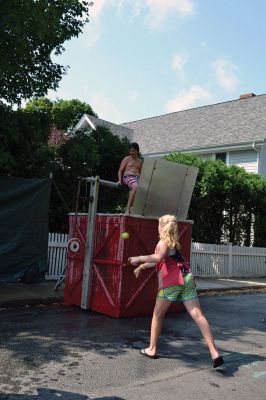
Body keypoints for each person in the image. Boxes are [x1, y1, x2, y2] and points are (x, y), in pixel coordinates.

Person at [128, 214, 224, 368]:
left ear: (162, 227)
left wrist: (138, 258)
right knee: (198, 316)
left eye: (158, 225)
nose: (157, 227)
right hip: (186, 278)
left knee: (157, 316)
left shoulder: (162, 242)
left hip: (172, 282)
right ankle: (214, 353)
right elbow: (157, 262)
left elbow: (157, 258)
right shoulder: (173, 244)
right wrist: (141, 267)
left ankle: (152, 349)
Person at [118, 142, 142, 214]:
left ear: (137, 151)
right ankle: (127, 209)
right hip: (128, 177)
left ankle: (135, 209)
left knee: (144, 189)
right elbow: (120, 171)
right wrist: (119, 180)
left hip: (137, 178)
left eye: (133, 151)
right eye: (130, 151)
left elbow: (140, 173)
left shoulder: (140, 161)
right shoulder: (127, 159)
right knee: (135, 186)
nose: (131, 152)